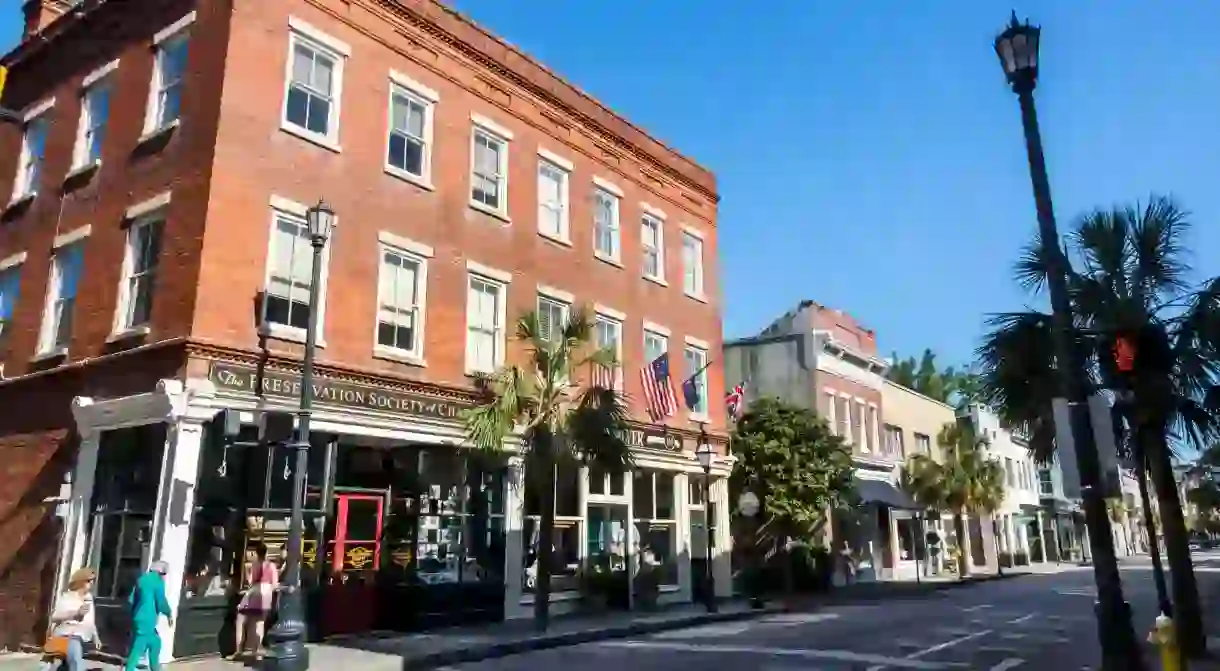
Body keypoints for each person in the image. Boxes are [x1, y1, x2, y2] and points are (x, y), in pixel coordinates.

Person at [41, 568, 99, 671]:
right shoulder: (68, 597)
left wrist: (96, 637)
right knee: (75, 659)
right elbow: (55, 617)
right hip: (67, 635)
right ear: (81, 581)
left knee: (68, 661)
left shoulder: (89, 598)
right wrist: (75, 614)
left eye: (93, 580)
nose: (92, 583)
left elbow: (91, 621)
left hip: (84, 637)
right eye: (89, 581)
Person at [229, 543, 279, 661]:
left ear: (256, 553)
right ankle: (256, 651)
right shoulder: (271, 566)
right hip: (266, 594)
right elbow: (275, 584)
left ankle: (239, 649)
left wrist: (247, 571)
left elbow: (251, 582)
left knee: (241, 618)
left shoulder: (255, 564)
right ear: (266, 553)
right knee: (260, 622)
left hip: (254, 591)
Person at [125, 560, 173, 671]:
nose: (164, 577)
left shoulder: (141, 580)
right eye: (164, 574)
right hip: (148, 619)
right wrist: (169, 613)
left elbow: (131, 600)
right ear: (160, 572)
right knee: (139, 647)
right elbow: (161, 601)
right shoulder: (157, 582)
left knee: (155, 642)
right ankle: (130, 668)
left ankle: (154, 667)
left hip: (138, 617)